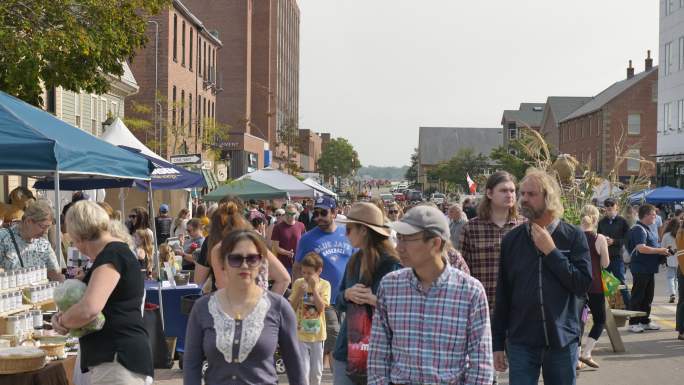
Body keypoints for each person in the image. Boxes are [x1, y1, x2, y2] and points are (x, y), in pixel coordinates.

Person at [367, 205, 493, 385]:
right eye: (399, 238)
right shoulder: (390, 286)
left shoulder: (470, 292)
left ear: (435, 243)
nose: (399, 247)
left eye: (407, 239)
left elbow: (481, 364)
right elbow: (378, 354)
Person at [492, 169, 592, 385]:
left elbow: (582, 284)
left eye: (531, 194)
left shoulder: (573, 236)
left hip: (561, 341)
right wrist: (497, 344)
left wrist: (552, 252)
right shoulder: (512, 240)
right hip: (521, 342)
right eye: (522, 194)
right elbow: (503, 295)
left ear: (549, 197)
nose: (523, 199)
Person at [183, 229, 305, 385]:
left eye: (252, 259)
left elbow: (297, 368)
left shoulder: (279, 307)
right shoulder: (203, 308)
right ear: (223, 264)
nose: (244, 265)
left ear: (261, 263)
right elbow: (191, 366)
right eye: (236, 259)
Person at [52, 201, 153, 385]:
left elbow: (89, 308)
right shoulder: (115, 253)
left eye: (73, 239)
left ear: (79, 235)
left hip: (117, 358)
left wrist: (62, 321)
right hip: (120, 356)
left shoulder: (112, 255)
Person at [333, 202, 402, 385]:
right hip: (347, 351)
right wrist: (347, 294)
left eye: (348, 228)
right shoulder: (354, 260)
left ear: (363, 230)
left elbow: (404, 311)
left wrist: (375, 300)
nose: (345, 233)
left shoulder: (392, 264)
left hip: (381, 354)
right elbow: (337, 301)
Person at [293, 196, 354, 370]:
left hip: (346, 299)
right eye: (316, 213)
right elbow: (297, 267)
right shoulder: (307, 239)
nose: (318, 217)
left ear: (334, 213)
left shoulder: (347, 234)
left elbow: (358, 261)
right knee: (336, 341)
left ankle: (332, 376)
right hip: (320, 299)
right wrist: (297, 293)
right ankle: (338, 378)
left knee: (332, 343)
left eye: (323, 213)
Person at [459, 171, 523, 315]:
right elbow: (463, 272)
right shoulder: (471, 228)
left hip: (518, 308)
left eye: (512, 190)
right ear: (489, 193)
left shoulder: (525, 227)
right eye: (503, 190)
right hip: (482, 307)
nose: (509, 194)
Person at [195, 202, 290, 294]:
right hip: (255, 304)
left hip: (229, 306)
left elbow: (200, 281)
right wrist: (268, 305)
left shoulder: (217, 247)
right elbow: (284, 279)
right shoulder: (255, 241)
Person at [625, 203, 671, 333]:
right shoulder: (639, 229)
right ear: (645, 215)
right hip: (641, 267)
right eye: (653, 215)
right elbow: (641, 248)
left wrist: (661, 252)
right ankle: (633, 323)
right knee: (638, 295)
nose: (655, 217)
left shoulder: (647, 228)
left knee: (648, 296)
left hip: (649, 268)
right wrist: (660, 250)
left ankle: (644, 321)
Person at [289, 252, 331, 385]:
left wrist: (314, 289)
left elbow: (321, 308)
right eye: (304, 272)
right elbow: (291, 307)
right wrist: (299, 293)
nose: (306, 276)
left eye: (309, 273)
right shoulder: (298, 283)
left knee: (316, 373)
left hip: (317, 336)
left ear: (319, 271)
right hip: (300, 334)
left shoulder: (325, 285)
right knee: (303, 371)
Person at [578, 205, 610, 369]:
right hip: (595, 285)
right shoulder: (599, 238)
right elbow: (605, 263)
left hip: (576, 286)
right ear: (596, 219)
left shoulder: (573, 236)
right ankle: (587, 353)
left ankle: (576, 358)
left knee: (577, 322)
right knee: (600, 321)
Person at [0, 199, 64, 281]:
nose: (46, 232)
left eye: (48, 227)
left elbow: (56, 275)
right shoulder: (3, 238)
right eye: (43, 227)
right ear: (28, 221)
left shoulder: (43, 245)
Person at [597, 198, 632, 308]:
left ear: (616, 206)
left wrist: (614, 241)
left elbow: (628, 239)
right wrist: (603, 242)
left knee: (621, 281)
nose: (609, 208)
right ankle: (607, 307)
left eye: (612, 206)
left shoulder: (622, 221)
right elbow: (598, 237)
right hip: (604, 257)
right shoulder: (601, 222)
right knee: (605, 283)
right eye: (607, 207)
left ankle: (629, 306)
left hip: (617, 256)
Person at [271, 203, 307, 276]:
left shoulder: (301, 225)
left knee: (297, 286)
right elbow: (276, 247)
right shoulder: (278, 227)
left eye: (292, 213)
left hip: (299, 263)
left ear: (296, 214)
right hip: (283, 264)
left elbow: (304, 243)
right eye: (287, 213)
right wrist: (287, 253)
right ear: (285, 213)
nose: (290, 216)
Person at [662, 218, 680, 304]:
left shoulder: (666, 235)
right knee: (676, 278)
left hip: (669, 258)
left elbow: (662, 247)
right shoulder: (680, 234)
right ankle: (675, 293)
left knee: (670, 277)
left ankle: (672, 293)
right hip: (679, 259)